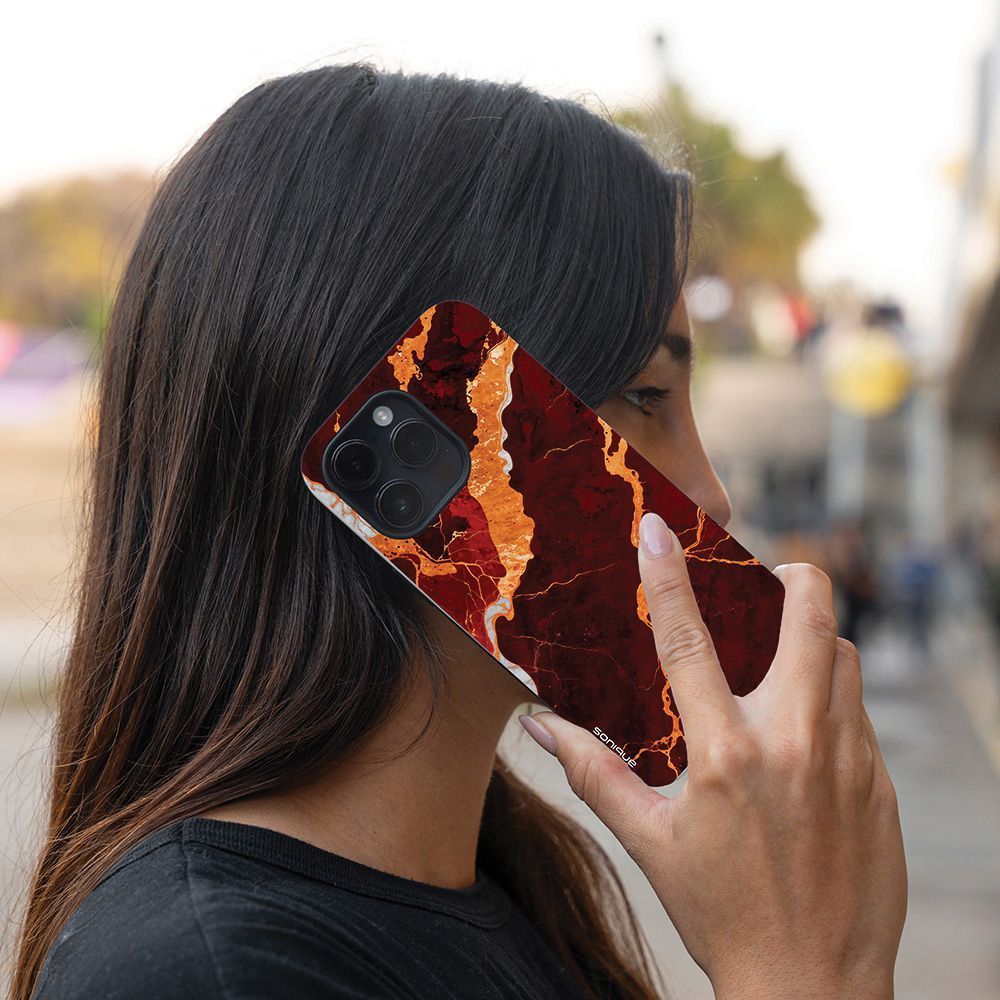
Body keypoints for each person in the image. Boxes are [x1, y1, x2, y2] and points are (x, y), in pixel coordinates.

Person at [13, 65, 906, 1000]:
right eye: (644, 396)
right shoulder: (208, 975)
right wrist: (802, 966)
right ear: (434, 425)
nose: (712, 495)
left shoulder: (507, 873)